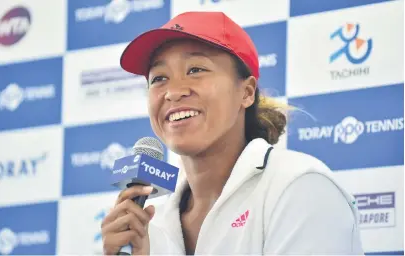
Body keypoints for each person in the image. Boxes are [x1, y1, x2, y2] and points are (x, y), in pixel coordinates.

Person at [101, 11, 364, 255]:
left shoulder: (300, 187)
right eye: (158, 78)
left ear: (247, 92)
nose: (173, 91)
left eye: (195, 70)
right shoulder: (149, 222)